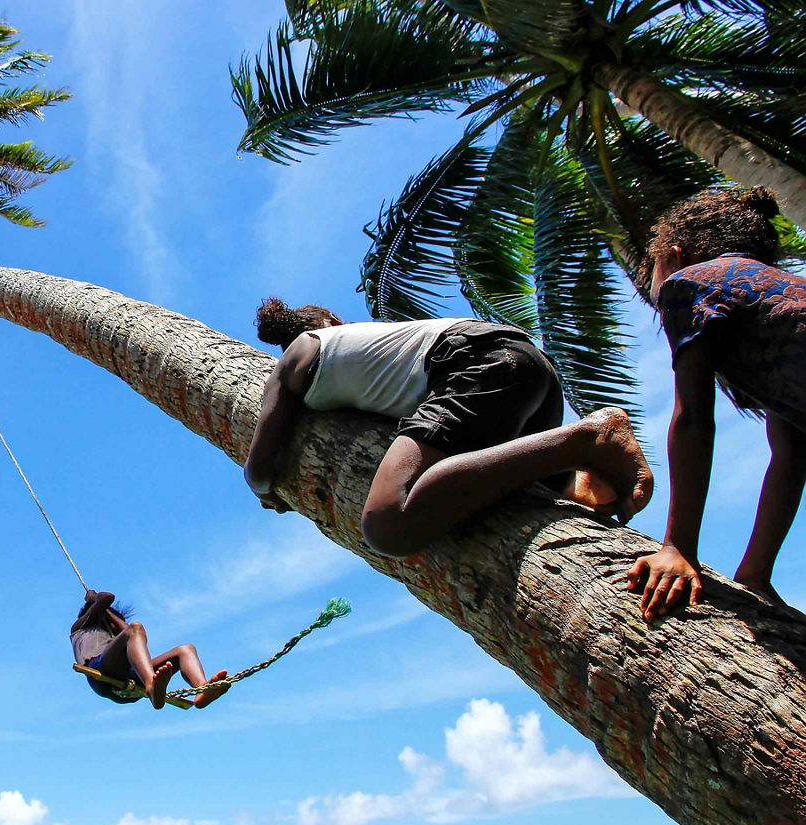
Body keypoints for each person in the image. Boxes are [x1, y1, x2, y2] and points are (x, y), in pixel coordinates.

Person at [244, 299, 654, 557]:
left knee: (387, 525)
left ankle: (593, 437)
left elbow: (258, 465)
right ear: (335, 318)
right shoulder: (367, 351)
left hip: (478, 366)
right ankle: (592, 485)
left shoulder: (301, 352)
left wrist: (269, 493)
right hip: (521, 373)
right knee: (564, 493)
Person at [627, 187, 806, 619]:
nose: (657, 298)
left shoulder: (689, 283)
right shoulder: (779, 295)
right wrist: (755, 574)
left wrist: (677, 547)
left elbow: (692, 419)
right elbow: (791, 452)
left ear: (672, 254)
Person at [70, 590, 229, 709]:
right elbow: (107, 598)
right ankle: (151, 685)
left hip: (130, 678)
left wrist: (112, 617)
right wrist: (93, 600)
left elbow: (129, 631)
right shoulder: (81, 628)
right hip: (100, 673)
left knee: (186, 649)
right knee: (134, 629)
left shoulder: (124, 637)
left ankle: (202, 688)